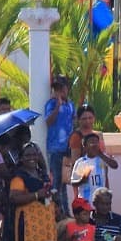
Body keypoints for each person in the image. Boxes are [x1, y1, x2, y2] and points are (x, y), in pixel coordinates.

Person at [8, 143, 57, 241]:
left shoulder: (42, 174)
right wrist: (36, 195)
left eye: (34, 155)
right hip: (29, 222)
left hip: (46, 221)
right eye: (28, 155)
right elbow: (14, 198)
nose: (32, 158)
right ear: (21, 158)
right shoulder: (19, 177)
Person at [44, 76, 75, 213]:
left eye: (62, 87)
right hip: (55, 149)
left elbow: (73, 122)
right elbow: (48, 121)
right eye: (57, 88)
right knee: (56, 182)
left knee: (64, 181)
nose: (60, 91)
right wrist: (57, 106)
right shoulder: (51, 104)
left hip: (67, 149)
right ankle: (58, 212)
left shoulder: (70, 105)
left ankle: (65, 211)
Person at [68, 133, 117, 204]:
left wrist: (101, 154)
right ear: (85, 147)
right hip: (86, 202)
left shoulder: (103, 159)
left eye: (96, 142)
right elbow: (73, 182)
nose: (94, 144)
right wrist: (82, 180)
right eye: (91, 142)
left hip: (101, 202)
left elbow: (115, 165)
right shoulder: (81, 162)